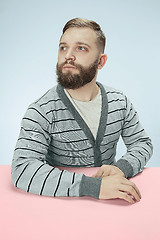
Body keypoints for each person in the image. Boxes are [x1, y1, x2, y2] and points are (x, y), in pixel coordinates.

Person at [11, 18, 153, 204]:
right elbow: (23, 169)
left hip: (112, 204)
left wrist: (121, 169)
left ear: (100, 61)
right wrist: (93, 186)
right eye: (63, 47)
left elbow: (141, 143)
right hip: (61, 206)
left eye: (81, 48)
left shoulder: (120, 102)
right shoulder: (41, 111)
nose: (68, 55)